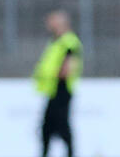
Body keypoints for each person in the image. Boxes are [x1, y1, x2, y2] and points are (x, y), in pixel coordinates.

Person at [32, 10, 83, 157]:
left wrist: (53, 75)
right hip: (53, 90)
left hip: (62, 89)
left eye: (52, 21)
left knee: (62, 126)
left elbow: (68, 67)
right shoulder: (56, 41)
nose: (48, 24)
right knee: (47, 127)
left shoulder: (69, 42)